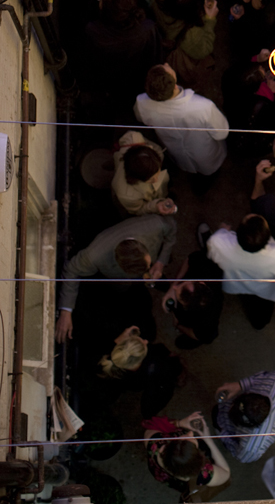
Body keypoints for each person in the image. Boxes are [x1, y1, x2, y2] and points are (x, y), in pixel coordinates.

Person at [55, 213, 177, 343]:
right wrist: (66, 312)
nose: (147, 270)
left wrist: (160, 263)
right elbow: (71, 270)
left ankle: (161, 282)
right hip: (117, 282)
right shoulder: (94, 255)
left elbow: (172, 226)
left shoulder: (154, 225)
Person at [134, 63, 230, 175]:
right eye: (166, 67)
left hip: (175, 150)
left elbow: (141, 118)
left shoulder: (141, 102)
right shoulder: (203, 106)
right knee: (208, 171)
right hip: (204, 152)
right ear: (174, 85)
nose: (166, 64)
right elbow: (221, 133)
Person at [206, 213, 275, 328]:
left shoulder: (218, 242)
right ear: (268, 237)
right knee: (260, 317)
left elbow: (211, 253)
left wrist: (222, 230)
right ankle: (259, 325)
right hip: (264, 292)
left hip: (235, 285)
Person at [84, 0, 162, 108]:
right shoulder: (147, 28)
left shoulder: (94, 32)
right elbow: (154, 54)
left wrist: (92, 2)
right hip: (137, 77)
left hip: (110, 78)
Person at [214, 368, 275, 461]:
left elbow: (242, 456)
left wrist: (222, 433)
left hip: (226, 428)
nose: (229, 404)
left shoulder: (251, 447)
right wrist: (240, 385)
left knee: (217, 418)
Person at [144, 411, 230, 495]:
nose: (191, 432)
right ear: (199, 460)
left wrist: (179, 423)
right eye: (192, 439)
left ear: (164, 449)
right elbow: (225, 472)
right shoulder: (203, 473)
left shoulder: (156, 446)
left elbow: (149, 429)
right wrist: (208, 440)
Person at [161, 251, 224, 349]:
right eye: (183, 284)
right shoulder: (206, 266)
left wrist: (178, 325)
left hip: (194, 323)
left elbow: (206, 338)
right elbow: (189, 259)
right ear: (201, 283)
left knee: (181, 344)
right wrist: (174, 284)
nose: (175, 288)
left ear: (187, 307)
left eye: (179, 298)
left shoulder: (208, 319)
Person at [111, 129, 174, 218]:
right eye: (151, 179)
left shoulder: (133, 138)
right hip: (148, 197)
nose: (156, 179)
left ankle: (164, 193)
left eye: (158, 171)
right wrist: (156, 206)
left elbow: (157, 150)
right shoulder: (127, 195)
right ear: (135, 178)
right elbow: (139, 209)